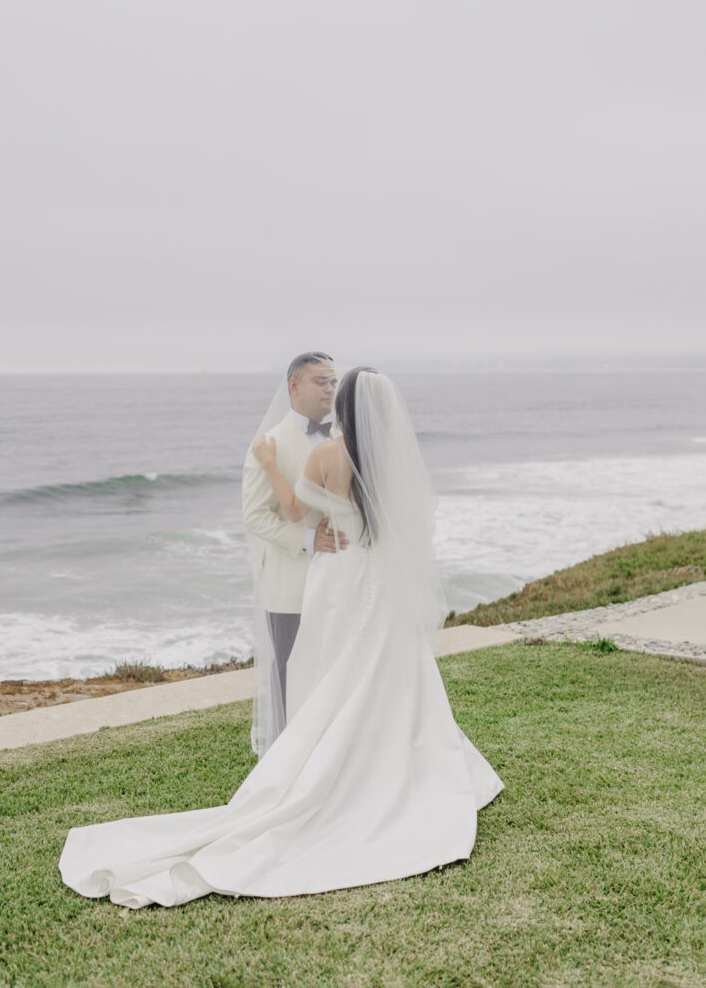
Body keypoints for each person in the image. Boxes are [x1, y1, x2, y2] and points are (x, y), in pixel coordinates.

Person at [58, 365, 504, 909]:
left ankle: (325, 757)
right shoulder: (393, 461)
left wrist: (270, 462)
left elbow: (294, 512)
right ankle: (398, 757)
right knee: (386, 666)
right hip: (378, 578)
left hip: (339, 576)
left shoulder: (326, 457)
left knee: (332, 669)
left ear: (343, 410)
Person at [241, 351, 350, 756]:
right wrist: (308, 542)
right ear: (294, 386)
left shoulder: (343, 438)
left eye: (332, 382)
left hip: (341, 577)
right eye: (320, 381)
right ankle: (288, 764)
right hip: (290, 586)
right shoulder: (269, 444)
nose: (329, 388)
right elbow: (254, 516)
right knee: (290, 675)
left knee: (334, 673)